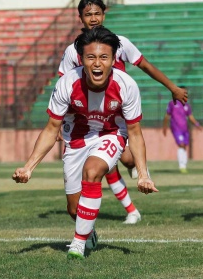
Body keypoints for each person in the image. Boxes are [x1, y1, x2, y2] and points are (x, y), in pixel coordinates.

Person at [13, 26, 157, 260]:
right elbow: (51, 128)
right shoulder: (67, 83)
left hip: (111, 134)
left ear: (113, 59)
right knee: (73, 209)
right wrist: (29, 167)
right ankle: (88, 232)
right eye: (91, 57)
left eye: (104, 57)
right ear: (81, 59)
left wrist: (143, 174)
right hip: (76, 139)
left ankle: (77, 244)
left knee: (92, 171)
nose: (97, 63)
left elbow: (135, 133)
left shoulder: (127, 85)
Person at [57, 0, 186, 224]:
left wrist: (172, 87)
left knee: (124, 160)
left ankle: (133, 194)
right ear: (81, 18)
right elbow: (62, 88)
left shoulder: (120, 43)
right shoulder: (72, 52)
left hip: (116, 120)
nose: (93, 18)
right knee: (97, 175)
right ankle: (127, 212)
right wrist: (59, 123)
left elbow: (146, 66)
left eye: (97, 13)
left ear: (104, 14)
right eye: (88, 14)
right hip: (84, 125)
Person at [162, 86, 202, 173]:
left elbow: (190, 117)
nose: (185, 94)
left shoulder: (187, 105)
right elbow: (167, 116)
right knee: (181, 144)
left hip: (184, 129)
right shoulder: (172, 103)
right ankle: (182, 166)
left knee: (184, 146)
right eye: (183, 92)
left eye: (185, 93)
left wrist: (197, 124)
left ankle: (184, 165)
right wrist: (164, 127)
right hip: (176, 128)